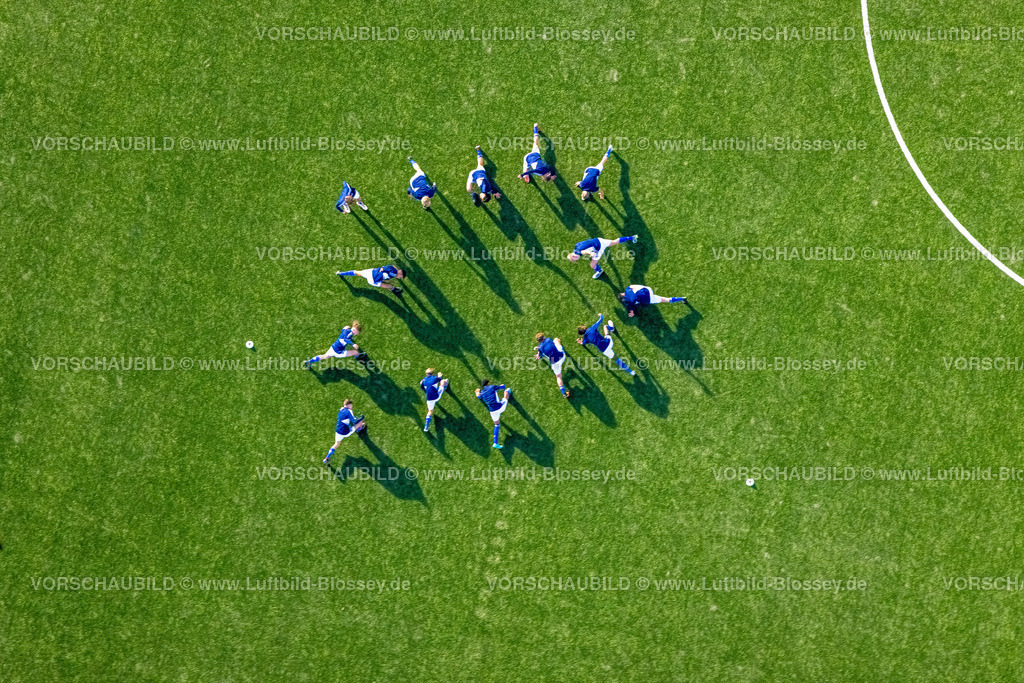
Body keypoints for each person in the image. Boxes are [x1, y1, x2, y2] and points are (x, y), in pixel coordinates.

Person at [323, 399, 365, 464]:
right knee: (361, 422)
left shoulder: (341, 409)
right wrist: (361, 417)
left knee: (336, 444)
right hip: (345, 432)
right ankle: (359, 428)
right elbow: (354, 421)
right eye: (351, 405)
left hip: (338, 431)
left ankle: (326, 458)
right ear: (349, 405)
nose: (352, 407)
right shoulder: (349, 411)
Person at [476, 380, 512, 449]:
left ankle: (495, 443)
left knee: (496, 425)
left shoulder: (482, 393)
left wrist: (477, 392)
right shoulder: (492, 387)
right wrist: (502, 385)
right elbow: (502, 387)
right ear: (488, 383)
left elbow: (478, 396)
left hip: (492, 411)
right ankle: (509, 391)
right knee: (506, 392)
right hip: (500, 407)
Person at [619, 285, 687, 317]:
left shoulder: (629, 302)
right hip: (647, 289)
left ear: (623, 299)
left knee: (665, 299)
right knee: (636, 294)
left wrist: (632, 313)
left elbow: (632, 309)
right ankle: (682, 298)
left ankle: (682, 298)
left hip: (648, 298)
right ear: (622, 293)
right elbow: (634, 286)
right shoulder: (627, 288)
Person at [336, 265, 404, 295]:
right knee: (388, 285)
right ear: (400, 273)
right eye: (401, 277)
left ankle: (340, 273)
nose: (399, 278)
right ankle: (394, 289)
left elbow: (385, 268)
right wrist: (383, 270)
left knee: (356, 272)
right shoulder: (394, 273)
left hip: (371, 272)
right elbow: (385, 269)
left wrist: (382, 269)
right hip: (373, 280)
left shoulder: (393, 269)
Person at [420, 368, 449, 433]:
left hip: (429, 399)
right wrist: (440, 375)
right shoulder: (435, 378)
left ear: (426, 374)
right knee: (444, 381)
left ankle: (426, 427)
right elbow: (440, 379)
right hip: (436, 397)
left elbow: (422, 386)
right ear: (432, 373)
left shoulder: (424, 380)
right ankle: (445, 387)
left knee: (430, 411)